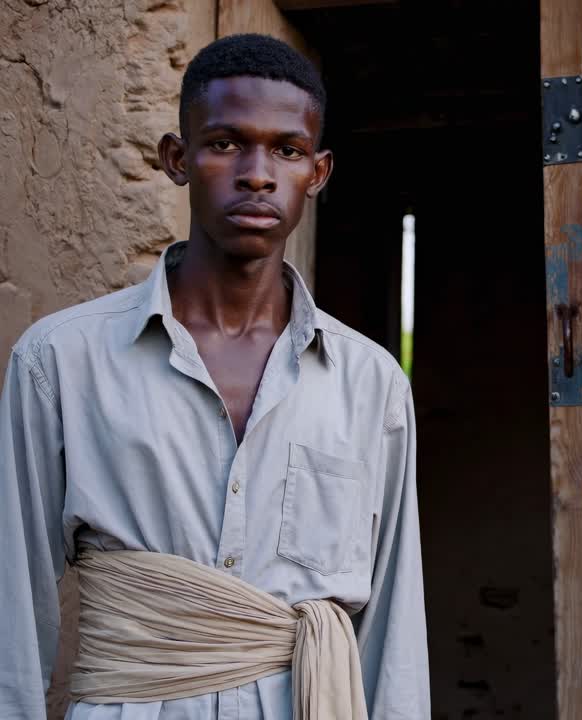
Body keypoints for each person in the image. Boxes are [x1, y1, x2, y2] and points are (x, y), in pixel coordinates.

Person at [0, 34, 429, 719]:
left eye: (286, 151)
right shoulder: (61, 362)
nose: (257, 174)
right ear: (178, 159)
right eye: (227, 143)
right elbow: (11, 611)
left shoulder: (370, 384)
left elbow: (393, 631)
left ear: (317, 174)